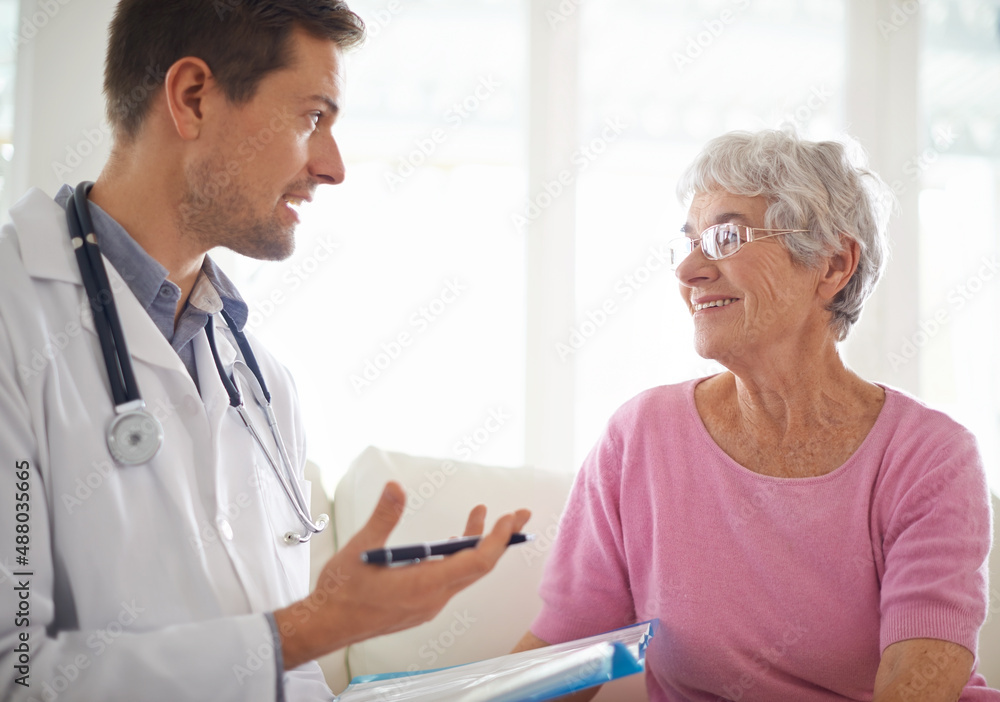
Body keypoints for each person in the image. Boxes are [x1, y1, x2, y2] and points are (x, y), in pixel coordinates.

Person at [0, 1, 530, 700]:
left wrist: (313, 641)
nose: (333, 166)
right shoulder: (15, 316)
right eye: (312, 116)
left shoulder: (262, 381)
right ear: (193, 99)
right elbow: (18, 675)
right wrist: (310, 627)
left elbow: (286, 675)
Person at [513, 130, 998, 701]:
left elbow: (918, 685)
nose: (689, 270)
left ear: (833, 265)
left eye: (724, 237)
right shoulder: (641, 437)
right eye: (688, 243)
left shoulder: (928, 455)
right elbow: (569, 656)